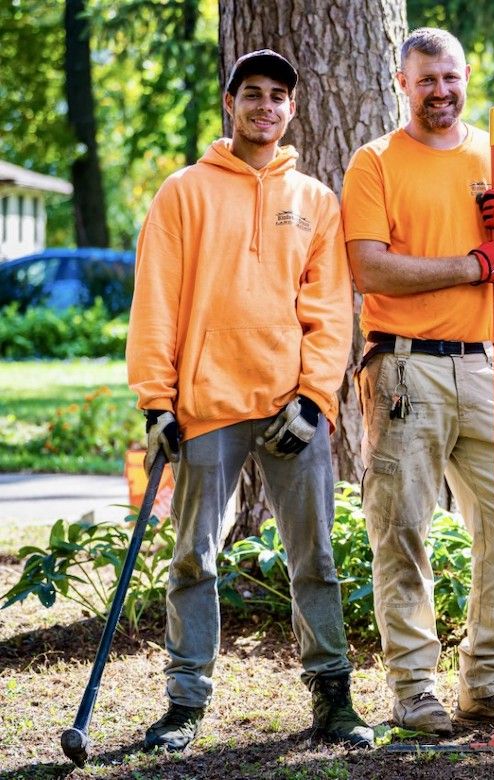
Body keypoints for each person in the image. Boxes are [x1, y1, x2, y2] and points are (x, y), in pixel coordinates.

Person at [126, 49, 372, 752]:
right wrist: (157, 401)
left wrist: (314, 397)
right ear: (229, 102)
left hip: (291, 408)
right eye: (253, 94)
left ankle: (332, 700)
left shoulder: (316, 201)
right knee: (195, 559)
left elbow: (330, 313)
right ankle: (185, 703)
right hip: (206, 404)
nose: (266, 106)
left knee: (314, 559)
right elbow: (156, 302)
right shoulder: (183, 192)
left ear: (292, 110)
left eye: (278, 97)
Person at [339, 28, 494, 736]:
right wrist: (470, 264)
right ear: (403, 83)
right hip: (405, 366)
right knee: (402, 527)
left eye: (452, 78)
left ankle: (490, 684)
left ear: (467, 77)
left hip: (486, 365)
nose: (442, 91)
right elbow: (369, 268)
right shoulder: (375, 163)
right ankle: (414, 689)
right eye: (427, 80)